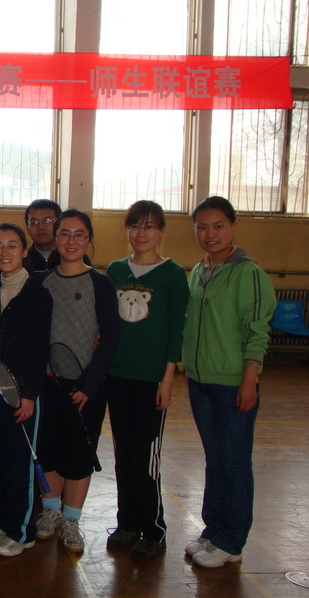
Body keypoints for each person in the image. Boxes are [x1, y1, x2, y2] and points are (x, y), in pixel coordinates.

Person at [182, 196, 276, 568]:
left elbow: (257, 332)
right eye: (202, 227)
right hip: (199, 382)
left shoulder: (249, 273)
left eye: (218, 226)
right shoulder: (197, 271)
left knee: (235, 464)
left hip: (233, 384)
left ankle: (231, 542)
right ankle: (213, 531)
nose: (210, 234)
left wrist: (249, 380)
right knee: (215, 460)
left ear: (233, 227)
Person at [102, 200, 189, 561]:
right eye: (135, 225)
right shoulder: (115, 270)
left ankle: (154, 529)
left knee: (145, 458)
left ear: (161, 231)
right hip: (116, 377)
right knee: (123, 454)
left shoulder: (172, 274)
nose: (141, 233)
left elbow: (177, 328)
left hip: (151, 380)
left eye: (149, 226)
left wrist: (167, 379)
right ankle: (127, 523)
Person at [35, 209, 119, 554]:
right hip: (46, 385)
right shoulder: (40, 281)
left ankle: (71, 521)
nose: (71, 241)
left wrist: (89, 386)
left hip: (85, 387)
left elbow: (110, 338)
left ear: (88, 240)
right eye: (64, 234)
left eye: (79, 234)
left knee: (79, 455)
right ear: (56, 239)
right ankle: (50, 513)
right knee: (48, 452)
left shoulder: (101, 283)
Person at [0, 223, 51, 557]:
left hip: (22, 395)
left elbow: (41, 349)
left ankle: (22, 532)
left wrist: (30, 395)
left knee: (20, 465)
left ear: (24, 251)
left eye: (12, 245)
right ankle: (5, 522)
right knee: (0, 460)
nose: (4, 252)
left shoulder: (37, 293)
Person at [24, 199, 91, 272]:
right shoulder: (22, 259)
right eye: (34, 222)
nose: (41, 227)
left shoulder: (77, 258)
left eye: (48, 221)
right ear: (27, 228)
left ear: (59, 225)